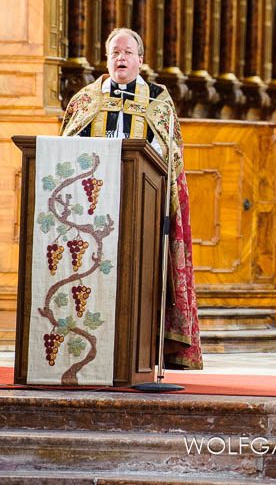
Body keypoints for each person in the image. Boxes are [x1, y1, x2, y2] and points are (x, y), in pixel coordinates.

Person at [59, 27, 203, 370]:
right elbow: (64, 152)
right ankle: (85, 351)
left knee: (139, 281)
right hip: (90, 214)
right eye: (114, 53)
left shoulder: (158, 101)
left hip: (143, 211)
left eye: (127, 52)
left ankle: (139, 353)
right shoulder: (85, 101)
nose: (120, 58)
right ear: (107, 59)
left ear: (141, 59)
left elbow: (172, 159)